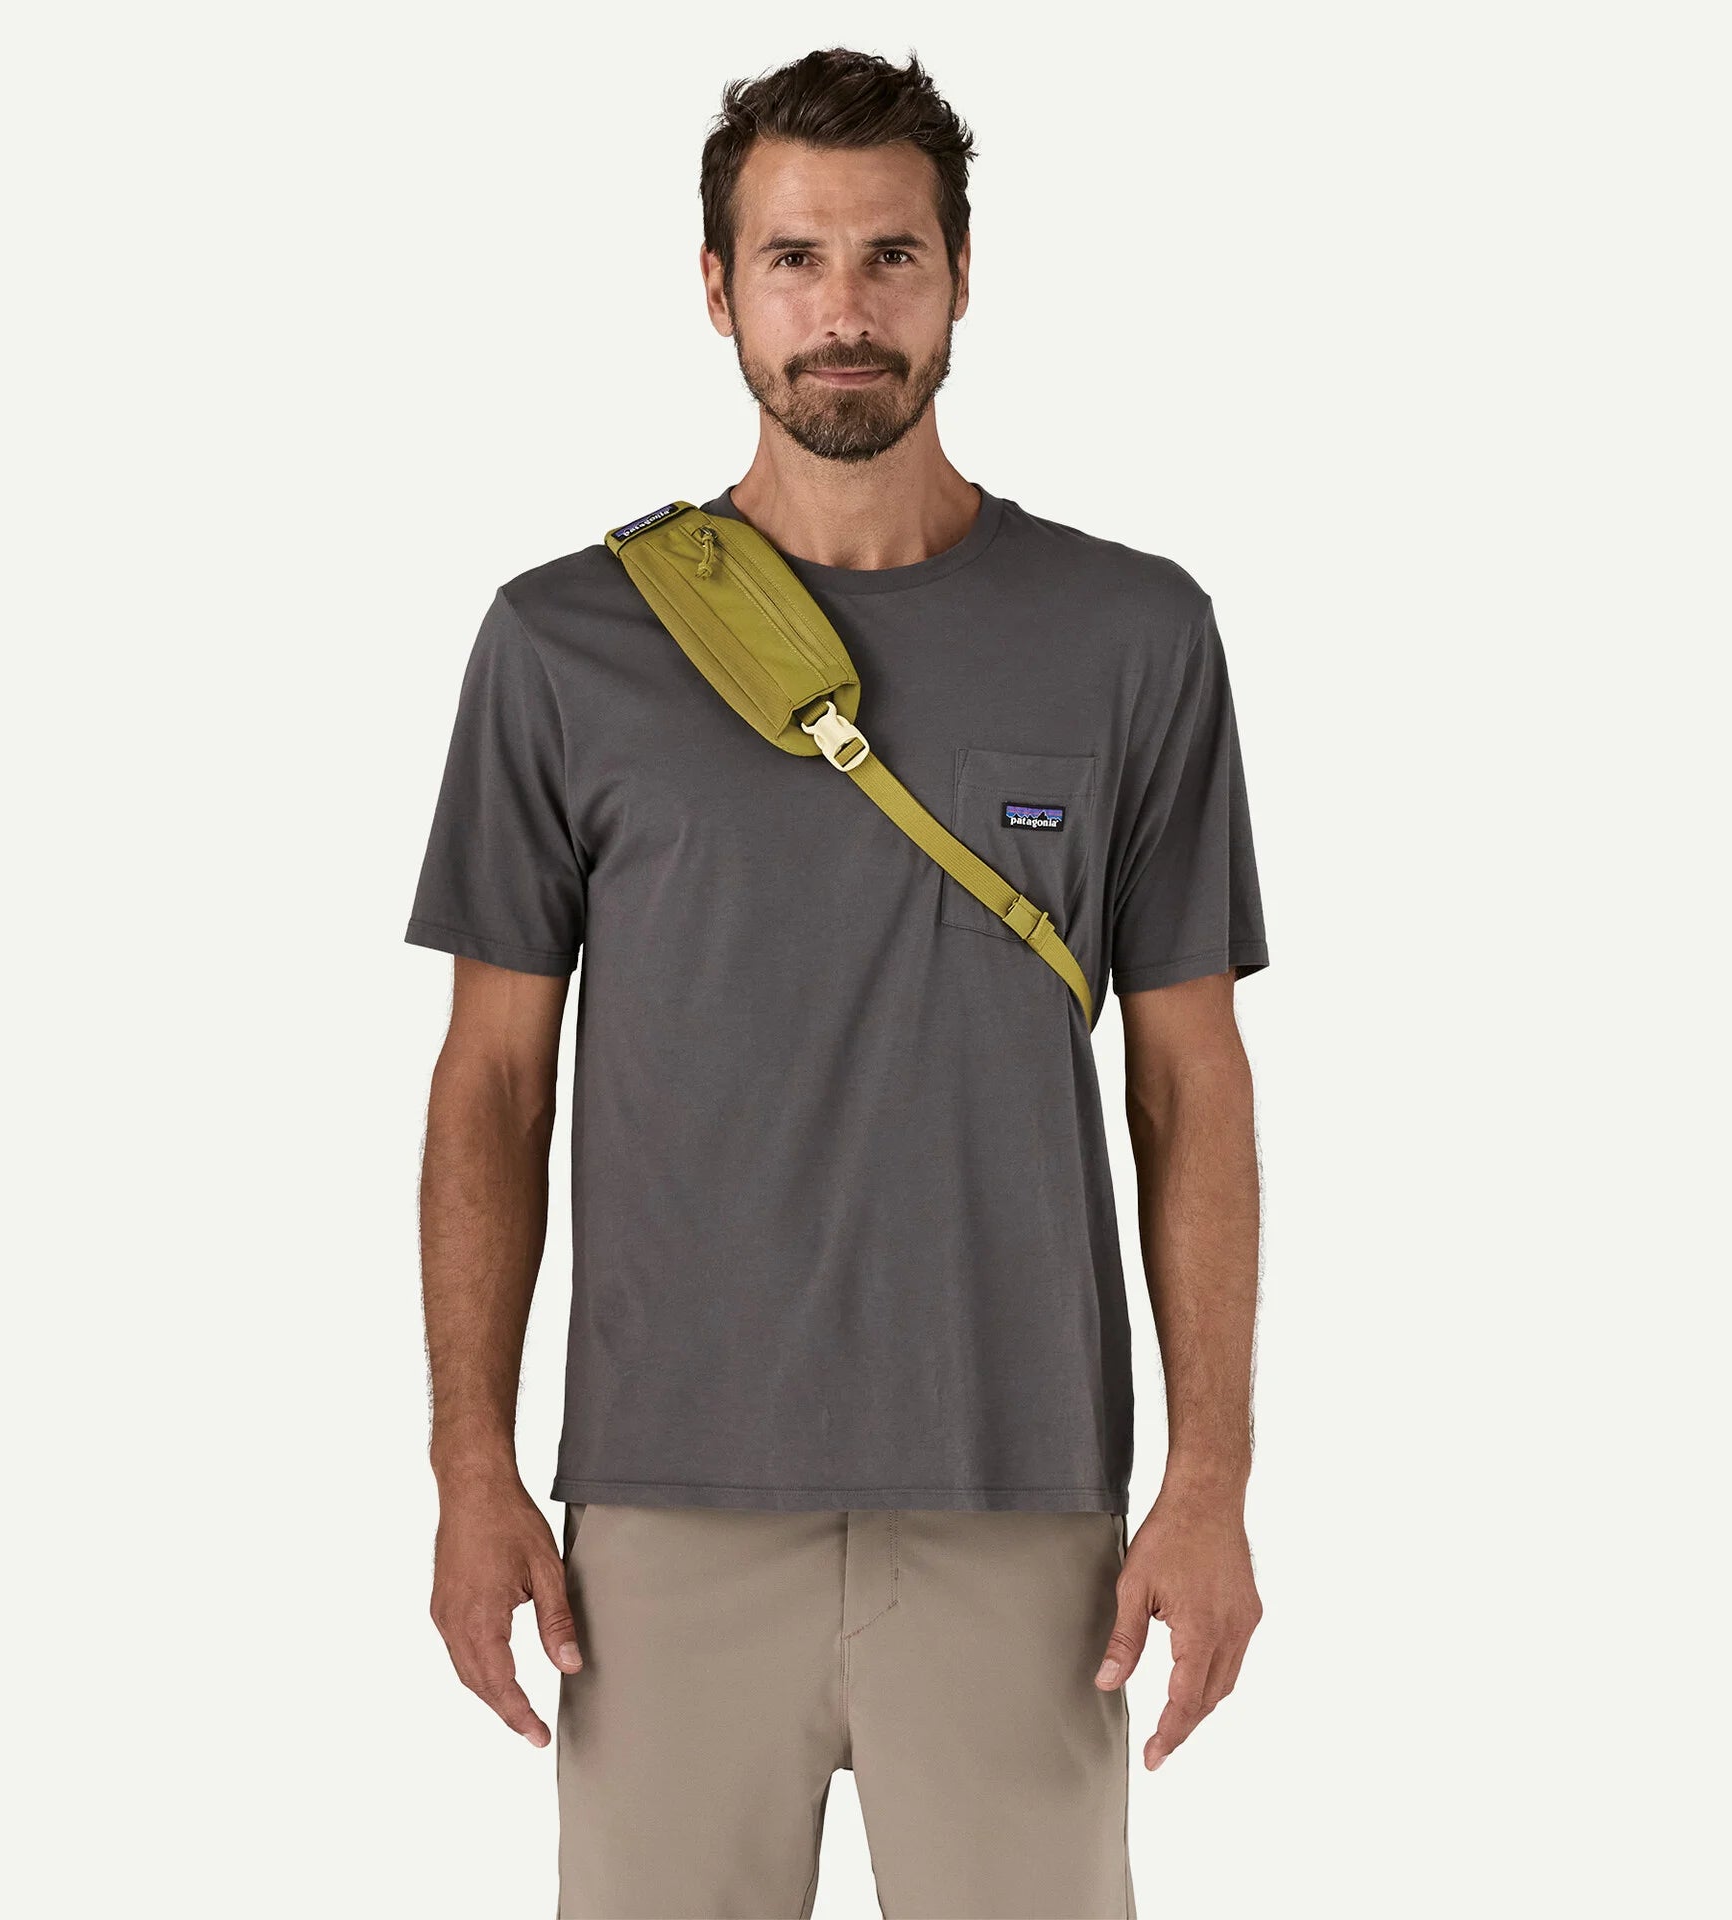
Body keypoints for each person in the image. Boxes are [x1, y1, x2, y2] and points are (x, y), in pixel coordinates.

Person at [406, 46, 1271, 1919]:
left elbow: (1192, 1077)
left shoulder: (1134, 633)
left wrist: (1210, 1480)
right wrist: (472, 1465)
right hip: (662, 1517)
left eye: (892, 256)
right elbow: (491, 1082)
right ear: (718, 289)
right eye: (795, 258)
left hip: (1023, 1504)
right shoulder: (561, 643)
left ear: (962, 279)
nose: (846, 309)